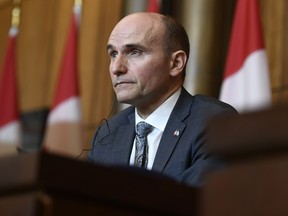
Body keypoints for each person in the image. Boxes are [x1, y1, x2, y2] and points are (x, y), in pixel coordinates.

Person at [87, 12, 237, 187]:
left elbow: (194, 202)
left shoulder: (214, 122)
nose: (116, 68)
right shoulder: (108, 133)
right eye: (113, 54)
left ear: (175, 63)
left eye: (134, 52)